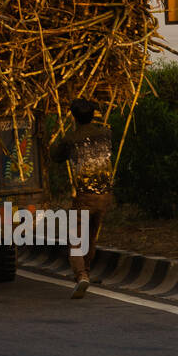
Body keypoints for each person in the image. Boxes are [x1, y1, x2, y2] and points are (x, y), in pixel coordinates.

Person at [49, 98, 114, 298]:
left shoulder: (71, 139)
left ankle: (81, 275)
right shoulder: (106, 133)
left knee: (76, 239)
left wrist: (53, 139)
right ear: (92, 114)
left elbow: (55, 156)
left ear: (74, 117)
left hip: (85, 196)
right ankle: (86, 270)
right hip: (105, 195)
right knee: (92, 236)